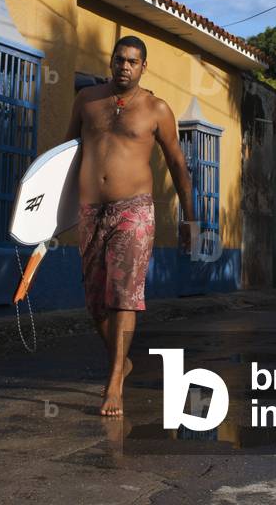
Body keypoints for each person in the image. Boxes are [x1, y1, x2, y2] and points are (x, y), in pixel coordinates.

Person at [63, 35, 195, 417]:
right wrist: (51, 212)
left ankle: (114, 381)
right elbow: (66, 153)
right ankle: (122, 361)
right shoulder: (87, 101)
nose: (125, 66)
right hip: (91, 211)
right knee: (94, 301)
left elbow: (178, 166)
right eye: (120, 59)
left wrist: (190, 218)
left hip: (134, 210)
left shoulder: (156, 109)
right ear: (111, 61)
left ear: (143, 67)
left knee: (124, 295)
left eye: (133, 61)